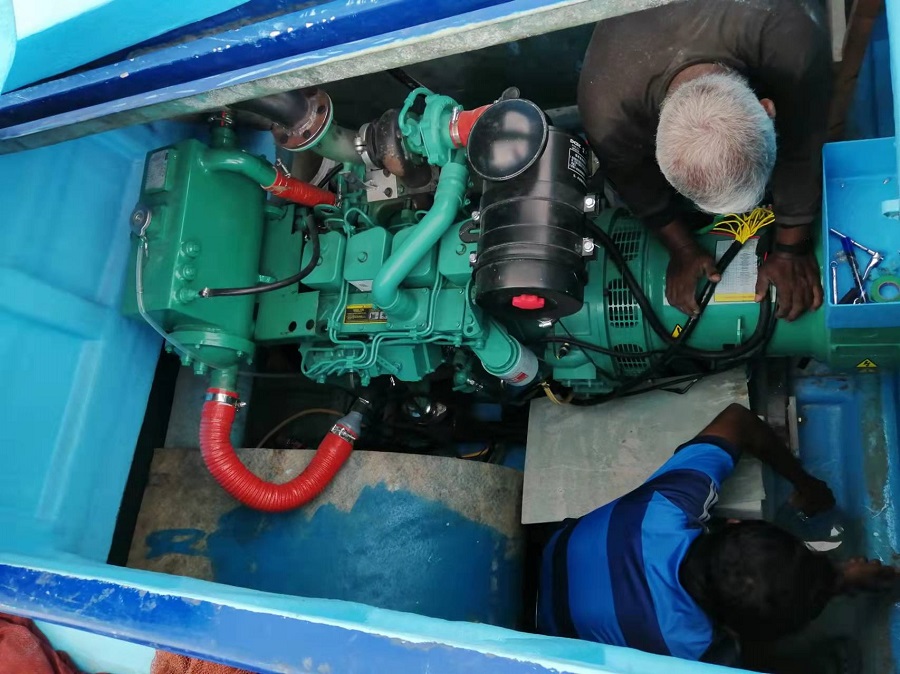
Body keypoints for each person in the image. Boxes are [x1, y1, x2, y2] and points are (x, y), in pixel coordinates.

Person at [537, 403, 898, 663]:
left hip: (558, 552)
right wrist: (837, 581)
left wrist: (805, 483)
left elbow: (737, 419)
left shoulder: (663, 509)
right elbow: (755, 654)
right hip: (553, 637)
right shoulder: (692, 651)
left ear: (733, 524)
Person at [578, 0, 829, 321]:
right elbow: (632, 180)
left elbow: (804, 137)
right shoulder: (607, 113)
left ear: (768, 109)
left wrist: (793, 247)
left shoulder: (792, 29)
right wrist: (682, 249)